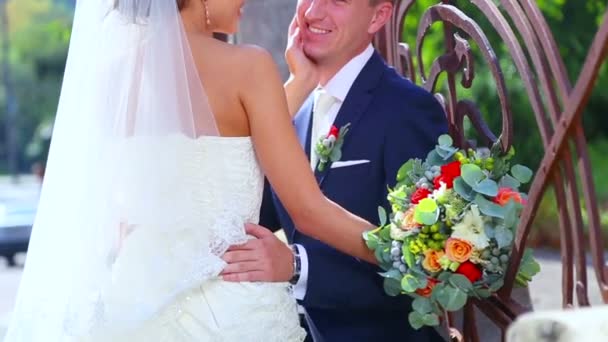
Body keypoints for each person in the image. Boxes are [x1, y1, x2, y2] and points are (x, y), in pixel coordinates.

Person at [3, 0, 381, 341]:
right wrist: (399, 248)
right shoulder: (248, 66)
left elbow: (216, 138)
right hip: (228, 312)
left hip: (131, 306)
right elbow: (308, 209)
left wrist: (300, 84)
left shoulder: (114, 75)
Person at [222, 0, 448, 341]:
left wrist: (298, 267)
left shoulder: (407, 110)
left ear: (378, 16)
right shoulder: (296, 109)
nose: (313, 12)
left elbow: (421, 264)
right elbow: (244, 211)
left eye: (336, 1)